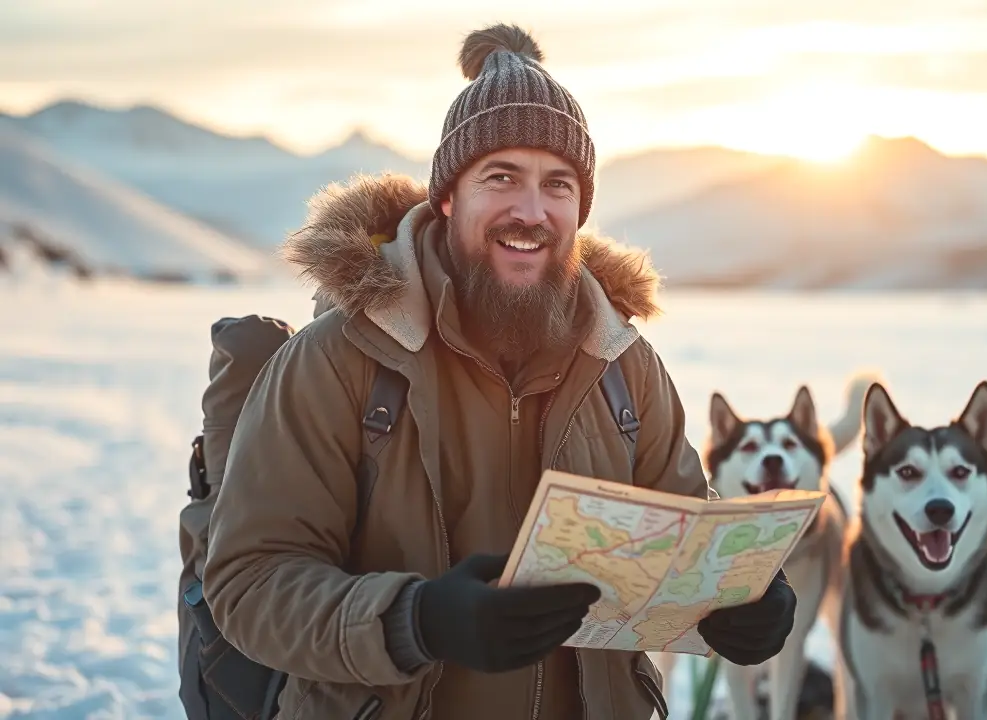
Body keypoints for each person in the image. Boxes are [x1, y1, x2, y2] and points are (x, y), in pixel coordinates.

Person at [201, 22, 796, 720]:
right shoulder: (340, 361)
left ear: (582, 206)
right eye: (501, 177)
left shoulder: (624, 367)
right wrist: (414, 619)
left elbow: (678, 549)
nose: (531, 211)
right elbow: (251, 582)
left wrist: (740, 600)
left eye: (558, 185)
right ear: (448, 196)